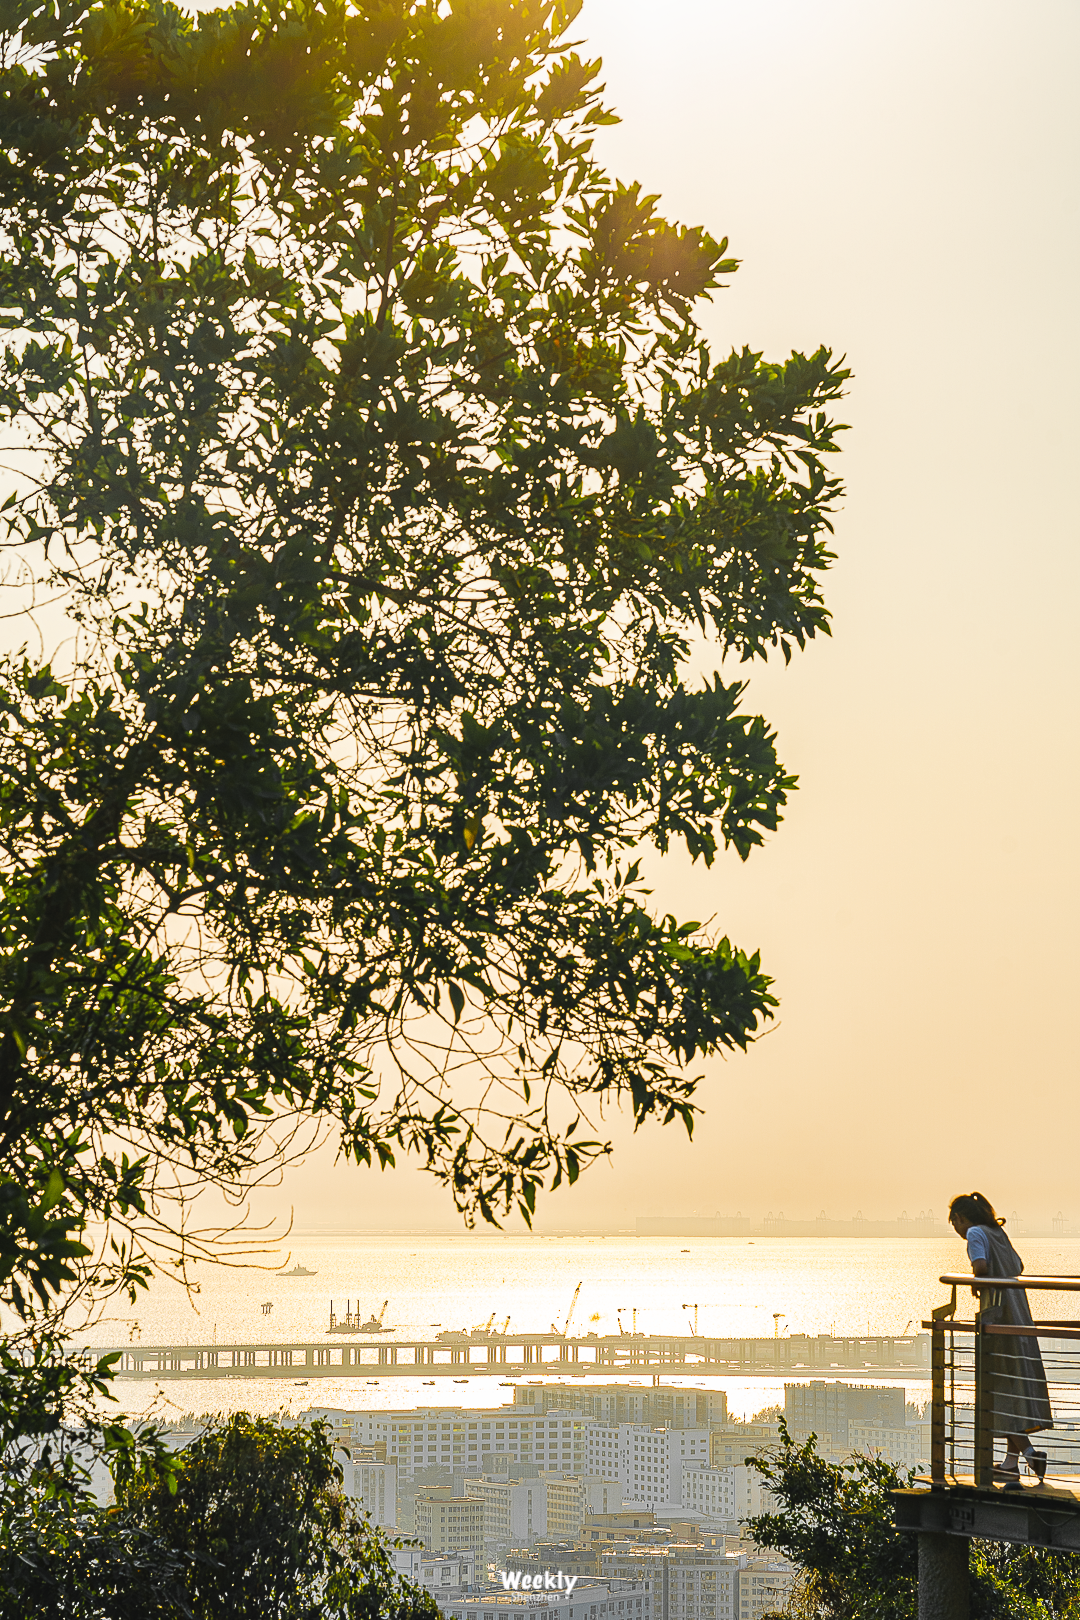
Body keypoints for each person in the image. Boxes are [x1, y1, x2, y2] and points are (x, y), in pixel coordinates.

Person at [949, 1191, 1051, 1483]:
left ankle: (1030, 1454)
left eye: (954, 1222)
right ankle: (1009, 1463)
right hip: (1019, 1313)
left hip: (998, 1316)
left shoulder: (976, 1235)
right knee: (1011, 1388)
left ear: (960, 1218)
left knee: (998, 1389)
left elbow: (980, 1267)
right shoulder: (998, 1232)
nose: (956, 1229)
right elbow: (1018, 1266)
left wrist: (974, 1281)